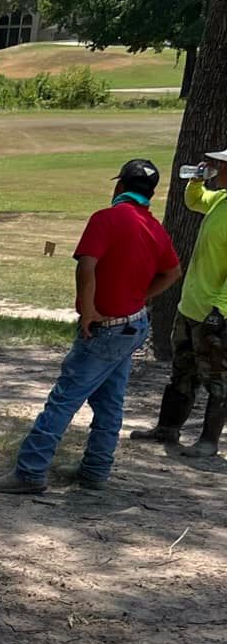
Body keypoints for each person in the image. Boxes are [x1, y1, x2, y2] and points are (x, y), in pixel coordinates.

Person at [0, 157, 181, 496]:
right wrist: (141, 297)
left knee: (63, 400)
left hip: (104, 328)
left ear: (119, 187)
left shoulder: (106, 218)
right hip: (134, 325)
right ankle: (95, 470)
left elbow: (86, 267)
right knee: (111, 402)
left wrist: (88, 310)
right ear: (151, 193)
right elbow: (173, 272)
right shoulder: (153, 227)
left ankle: (30, 472)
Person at [130, 146, 227, 462]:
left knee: (217, 378)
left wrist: (221, 310)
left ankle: (208, 442)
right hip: (191, 306)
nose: (216, 167)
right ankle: (167, 428)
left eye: (220, 164)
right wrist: (197, 179)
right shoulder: (221, 199)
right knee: (181, 371)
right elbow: (195, 201)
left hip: (215, 313)